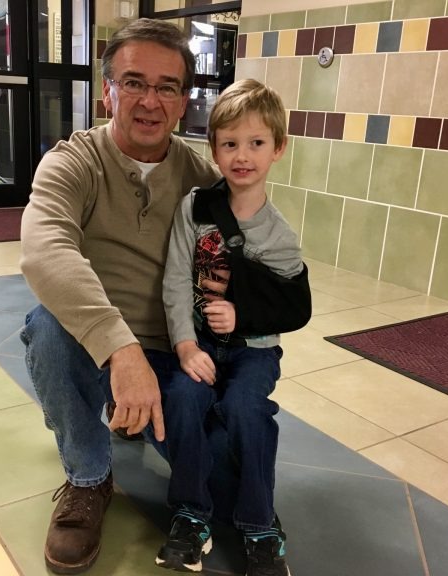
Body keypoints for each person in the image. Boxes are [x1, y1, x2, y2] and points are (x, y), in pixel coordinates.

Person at [19, 18, 222, 575]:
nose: (149, 100)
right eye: (133, 82)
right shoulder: (72, 162)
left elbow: (244, 262)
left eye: (166, 86)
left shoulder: (202, 180)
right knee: (46, 326)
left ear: (183, 102)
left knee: (225, 482)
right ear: (107, 92)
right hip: (95, 345)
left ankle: (126, 413)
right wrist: (120, 350)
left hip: (171, 348)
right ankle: (87, 480)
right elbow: (44, 253)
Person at [157, 79, 302, 576]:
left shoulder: (280, 235)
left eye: (257, 143)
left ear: (277, 149)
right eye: (230, 143)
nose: (243, 156)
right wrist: (182, 342)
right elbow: (176, 276)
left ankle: (260, 522)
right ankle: (191, 514)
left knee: (245, 408)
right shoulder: (196, 208)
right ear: (214, 150)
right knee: (183, 397)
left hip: (254, 351)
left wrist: (244, 315)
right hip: (199, 344)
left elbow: (293, 307)